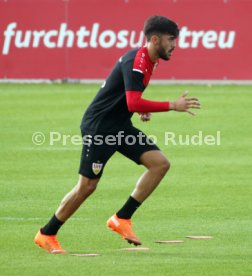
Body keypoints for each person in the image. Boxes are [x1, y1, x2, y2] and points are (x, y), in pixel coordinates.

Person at [34, 15, 200, 254]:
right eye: (171, 39)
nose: (175, 44)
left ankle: (121, 218)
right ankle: (46, 233)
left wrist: (141, 109)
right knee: (87, 187)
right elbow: (133, 102)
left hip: (119, 126)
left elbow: (130, 99)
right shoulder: (137, 61)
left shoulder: (149, 59)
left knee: (160, 164)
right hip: (100, 128)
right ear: (155, 39)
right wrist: (171, 105)